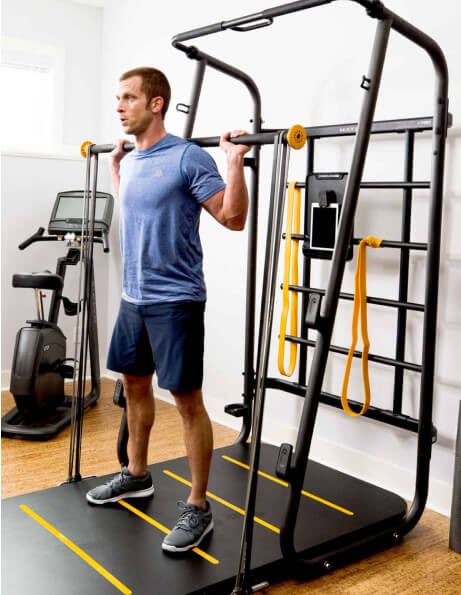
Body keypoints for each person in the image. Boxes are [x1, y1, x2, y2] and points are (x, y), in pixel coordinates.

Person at [85, 66, 251, 554]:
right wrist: (116, 169)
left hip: (176, 300)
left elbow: (233, 218)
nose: (119, 106)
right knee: (133, 386)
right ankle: (136, 475)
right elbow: (138, 206)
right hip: (134, 299)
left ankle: (198, 508)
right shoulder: (134, 159)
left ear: (156, 104)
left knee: (184, 401)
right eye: (117, 98)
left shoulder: (187, 157)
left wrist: (234, 162)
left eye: (129, 98)